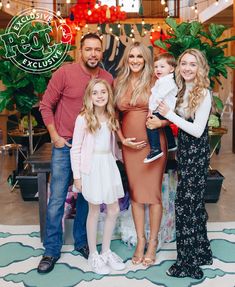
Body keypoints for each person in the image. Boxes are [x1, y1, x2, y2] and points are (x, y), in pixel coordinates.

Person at [38, 33, 113, 274]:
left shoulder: (107, 78)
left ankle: (82, 242)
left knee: (87, 198)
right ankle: (51, 249)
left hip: (92, 148)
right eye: (88, 49)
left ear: (102, 53)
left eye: (97, 50)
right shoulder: (64, 73)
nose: (93, 54)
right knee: (58, 197)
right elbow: (45, 105)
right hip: (65, 144)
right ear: (80, 51)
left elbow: (110, 113)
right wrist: (55, 136)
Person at [158, 48, 213, 279]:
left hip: (196, 155)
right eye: (184, 64)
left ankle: (188, 265)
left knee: (185, 207)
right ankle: (201, 252)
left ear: (200, 68)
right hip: (186, 153)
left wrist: (169, 114)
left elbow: (197, 130)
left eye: (193, 64)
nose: (187, 68)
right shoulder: (181, 90)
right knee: (194, 206)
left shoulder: (204, 93)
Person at [115, 41, 168, 266]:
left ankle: (153, 242)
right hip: (129, 146)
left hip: (154, 144)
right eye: (131, 56)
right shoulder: (119, 82)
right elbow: (112, 116)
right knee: (136, 194)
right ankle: (140, 240)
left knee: (153, 194)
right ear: (127, 59)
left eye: (140, 57)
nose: (135, 60)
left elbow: (175, 112)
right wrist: (121, 139)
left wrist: (162, 122)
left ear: (146, 60)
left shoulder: (157, 82)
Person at [70, 79, 125, 275]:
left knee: (113, 208)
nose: (100, 96)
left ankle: (106, 251)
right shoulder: (83, 118)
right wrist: (77, 177)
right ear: (89, 97)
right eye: (95, 93)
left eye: (103, 92)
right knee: (93, 210)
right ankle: (93, 254)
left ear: (109, 95)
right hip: (91, 167)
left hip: (108, 165)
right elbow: (75, 149)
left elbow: (114, 146)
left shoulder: (111, 116)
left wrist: (125, 160)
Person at [144, 53, 178, 163]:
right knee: (164, 127)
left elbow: (158, 97)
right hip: (165, 109)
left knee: (151, 124)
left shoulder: (167, 82)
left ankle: (155, 149)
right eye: (156, 66)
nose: (158, 69)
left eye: (162, 67)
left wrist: (151, 110)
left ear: (171, 69)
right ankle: (171, 144)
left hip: (166, 109)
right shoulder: (162, 80)